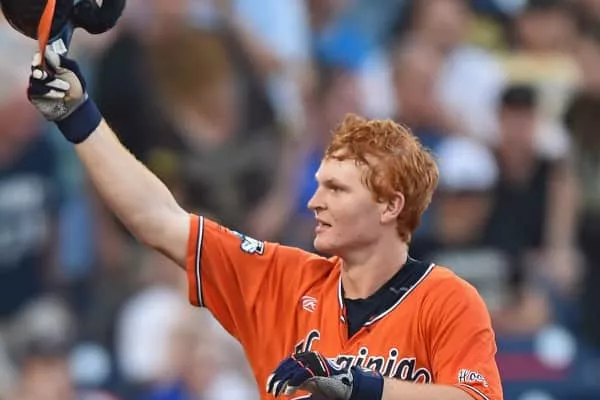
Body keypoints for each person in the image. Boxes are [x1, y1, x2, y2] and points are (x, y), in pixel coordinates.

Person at [25, 49, 502, 400]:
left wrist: (361, 386)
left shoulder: (446, 300)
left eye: (337, 189)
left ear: (389, 206)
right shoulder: (281, 279)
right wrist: (79, 116)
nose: (314, 202)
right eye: (318, 185)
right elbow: (157, 219)